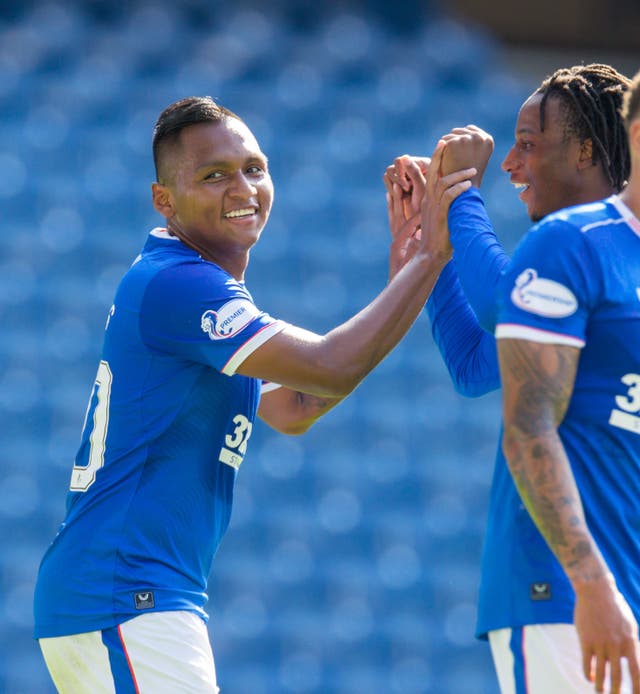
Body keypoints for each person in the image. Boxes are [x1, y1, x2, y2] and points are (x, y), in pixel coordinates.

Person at [33, 96, 475, 693]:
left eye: (254, 168)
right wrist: (431, 254)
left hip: (129, 594)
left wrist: (408, 273)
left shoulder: (197, 288)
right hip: (124, 594)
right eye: (213, 175)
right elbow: (331, 365)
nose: (243, 186)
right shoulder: (181, 286)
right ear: (164, 200)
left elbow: (296, 407)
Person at [385, 64, 637, 692]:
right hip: (561, 590)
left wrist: (449, 216)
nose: (511, 162)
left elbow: (480, 357)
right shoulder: (570, 245)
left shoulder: (610, 258)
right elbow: (491, 331)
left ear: (585, 150)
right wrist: (443, 224)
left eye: (528, 143)